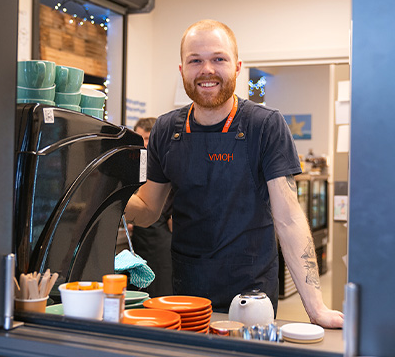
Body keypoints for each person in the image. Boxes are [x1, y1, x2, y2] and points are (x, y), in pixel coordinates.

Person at [125, 19, 344, 328]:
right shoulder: (164, 129)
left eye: (218, 59)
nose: (207, 70)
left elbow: (289, 218)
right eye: (195, 61)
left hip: (251, 292)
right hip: (187, 291)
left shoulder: (264, 125)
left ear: (237, 66)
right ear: (182, 70)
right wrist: (105, 192)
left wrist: (316, 308)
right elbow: (147, 211)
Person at [129, 117, 173, 297]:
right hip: (138, 239)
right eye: (139, 138)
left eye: (147, 138)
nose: (143, 144)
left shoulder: (165, 163)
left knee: (159, 291)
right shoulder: (133, 163)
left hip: (160, 239)